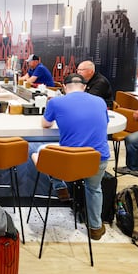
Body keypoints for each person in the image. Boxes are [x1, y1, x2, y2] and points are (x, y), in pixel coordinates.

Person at [33, 73, 110, 240]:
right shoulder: (100, 101)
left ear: (64, 87)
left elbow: (45, 124)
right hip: (97, 158)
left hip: (69, 161)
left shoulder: (56, 102)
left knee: (40, 151)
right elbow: (104, 122)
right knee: (95, 189)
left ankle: (60, 186)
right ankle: (95, 228)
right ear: (84, 87)